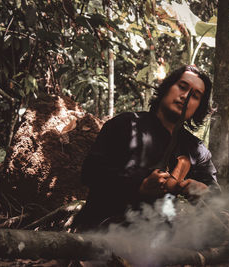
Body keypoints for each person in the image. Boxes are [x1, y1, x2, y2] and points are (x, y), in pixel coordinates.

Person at [75, 65, 219, 230]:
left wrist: (204, 192)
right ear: (166, 88)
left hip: (160, 239)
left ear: (199, 107)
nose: (185, 97)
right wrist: (139, 185)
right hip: (103, 229)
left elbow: (218, 197)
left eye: (195, 96)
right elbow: (90, 172)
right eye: (182, 87)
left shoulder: (194, 149)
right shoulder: (126, 125)